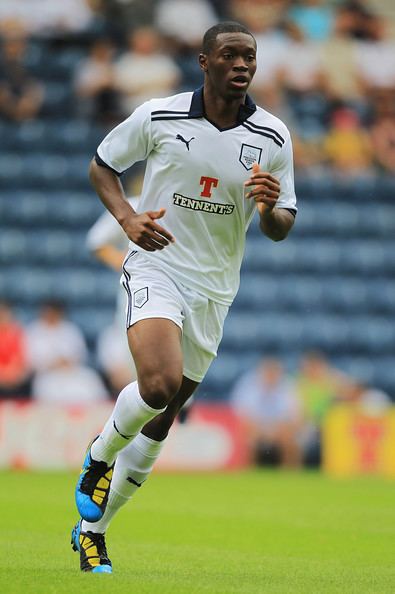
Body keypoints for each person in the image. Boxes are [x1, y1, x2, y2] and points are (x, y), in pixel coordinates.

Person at [71, 21, 297, 574]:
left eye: (250, 56)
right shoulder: (160, 114)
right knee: (158, 383)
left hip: (215, 290)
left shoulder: (272, 136)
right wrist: (126, 218)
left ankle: (91, 533)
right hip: (157, 264)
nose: (242, 64)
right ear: (204, 61)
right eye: (230, 55)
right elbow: (102, 164)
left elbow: (281, 224)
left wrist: (269, 208)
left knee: (162, 420)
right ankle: (98, 458)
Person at [230, 358, 302, 467]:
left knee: (289, 440)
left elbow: (295, 416)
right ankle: (247, 471)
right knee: (248, 437)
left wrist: (276, 430)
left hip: (280, 430)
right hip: (257, 429)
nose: (271, 376)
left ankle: (290, 473)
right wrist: (262, 430)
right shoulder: (249, 385)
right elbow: (242, 415)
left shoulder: (288, 386)